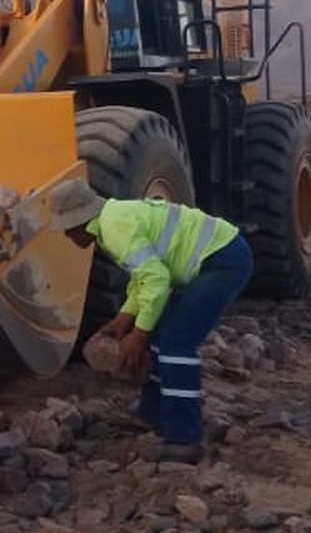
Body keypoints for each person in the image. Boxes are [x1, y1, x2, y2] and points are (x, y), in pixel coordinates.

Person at [51, 175, 254, 463]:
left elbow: (157, 280)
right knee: (161, 334)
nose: (67, 238)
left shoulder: (114, 227)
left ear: (78, 221)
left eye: (66, 231)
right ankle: (154, 414)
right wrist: (126, 316)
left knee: (176, 345)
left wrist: (138, 335)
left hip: (223, 261)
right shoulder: (111, 218)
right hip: (218, 256)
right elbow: (143, 276)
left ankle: (184, 441)